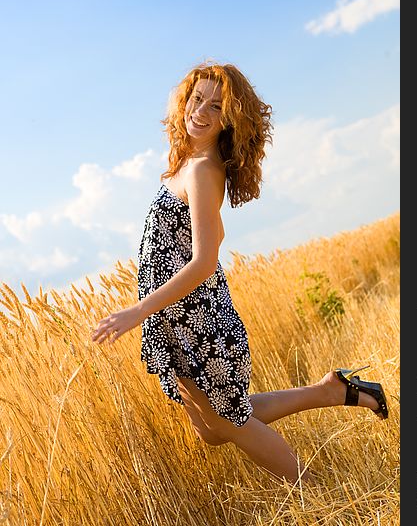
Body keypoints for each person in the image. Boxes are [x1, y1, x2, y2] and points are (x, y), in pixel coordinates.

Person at [91, 60, 388, 485]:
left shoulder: (203, 171)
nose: (200, 112)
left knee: (230, 423)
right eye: (197, 100)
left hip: (200, 325)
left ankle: (321, 495)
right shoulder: (188, 165)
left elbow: (205, 260)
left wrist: (137, 311)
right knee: (213, 429)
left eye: (215, 108)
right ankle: (332, 391)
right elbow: (210, 233)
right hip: (176, 320)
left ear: (227, 122)